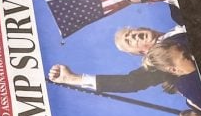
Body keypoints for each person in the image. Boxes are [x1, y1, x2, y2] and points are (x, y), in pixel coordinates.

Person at [48, 25, 187, 94]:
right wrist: (73, 79)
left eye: (131, 33)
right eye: (129, 41)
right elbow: (130, 83)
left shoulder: (176, 25)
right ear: (141, 52)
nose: (133, 36)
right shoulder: (159, 61)